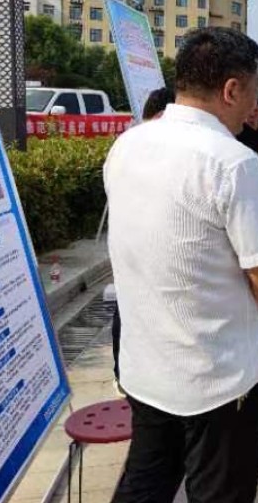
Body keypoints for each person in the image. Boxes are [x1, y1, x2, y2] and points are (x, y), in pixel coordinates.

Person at [104, 27, 258, 503]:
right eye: (254, 92)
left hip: (147, 370)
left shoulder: (127, 145)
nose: (255, 106)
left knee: (145, 485)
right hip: (218, 383)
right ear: (231, 89)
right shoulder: (233, 163)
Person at [111, 86, 176, 387]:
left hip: (129, 246)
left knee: (127, 307)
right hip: (153, 248)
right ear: (165, 114)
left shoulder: (123, 145)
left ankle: (123, 374)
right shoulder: (160, 147)